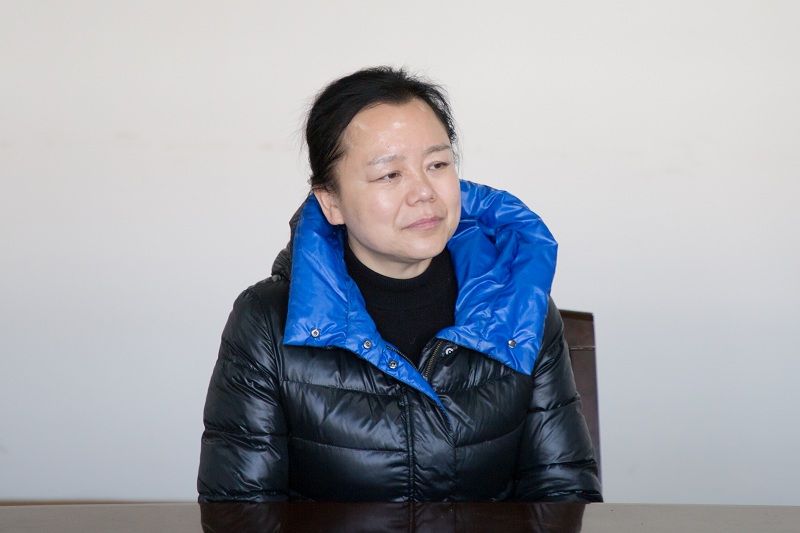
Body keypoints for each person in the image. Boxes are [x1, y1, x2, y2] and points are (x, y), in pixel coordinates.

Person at [197, 66, 602, 503]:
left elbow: (562, 492)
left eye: (438, 164)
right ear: (331, 201)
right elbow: (241, 510)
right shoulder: (267, 322)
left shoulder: (518, 303)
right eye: (390, 174)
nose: (424, 191)